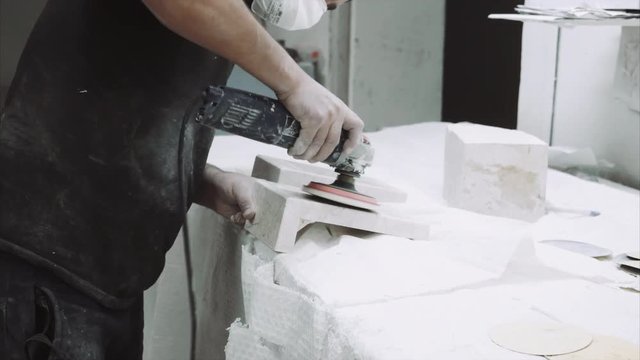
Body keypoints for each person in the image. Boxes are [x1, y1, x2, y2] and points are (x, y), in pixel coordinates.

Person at [0, 0, 362, 358]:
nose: (330, 6)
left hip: (98, 283)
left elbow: (114, 112)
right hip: (38, 273)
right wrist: (293, 82)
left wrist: (201, 180)